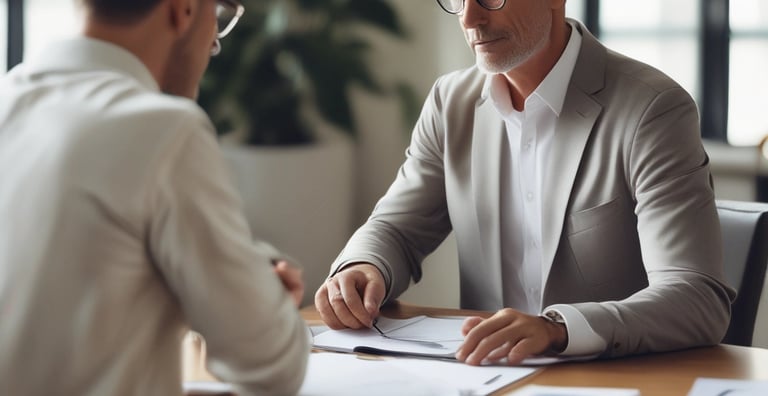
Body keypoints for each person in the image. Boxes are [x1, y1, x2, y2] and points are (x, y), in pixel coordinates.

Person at [315, 0, 735, 366]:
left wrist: (558, 330)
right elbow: (395, 230)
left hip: (614, 377)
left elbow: (696, 297)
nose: (469, 18)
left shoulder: (652, 109)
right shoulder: (451, 102)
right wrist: (362, 267)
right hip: (483, 376)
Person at [0, 0, 308, 394]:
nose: (214, 41)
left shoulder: (9, 101)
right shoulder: (163, 130)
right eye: (218, 14)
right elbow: (272, 367)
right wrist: (264, 291)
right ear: (182, 9)